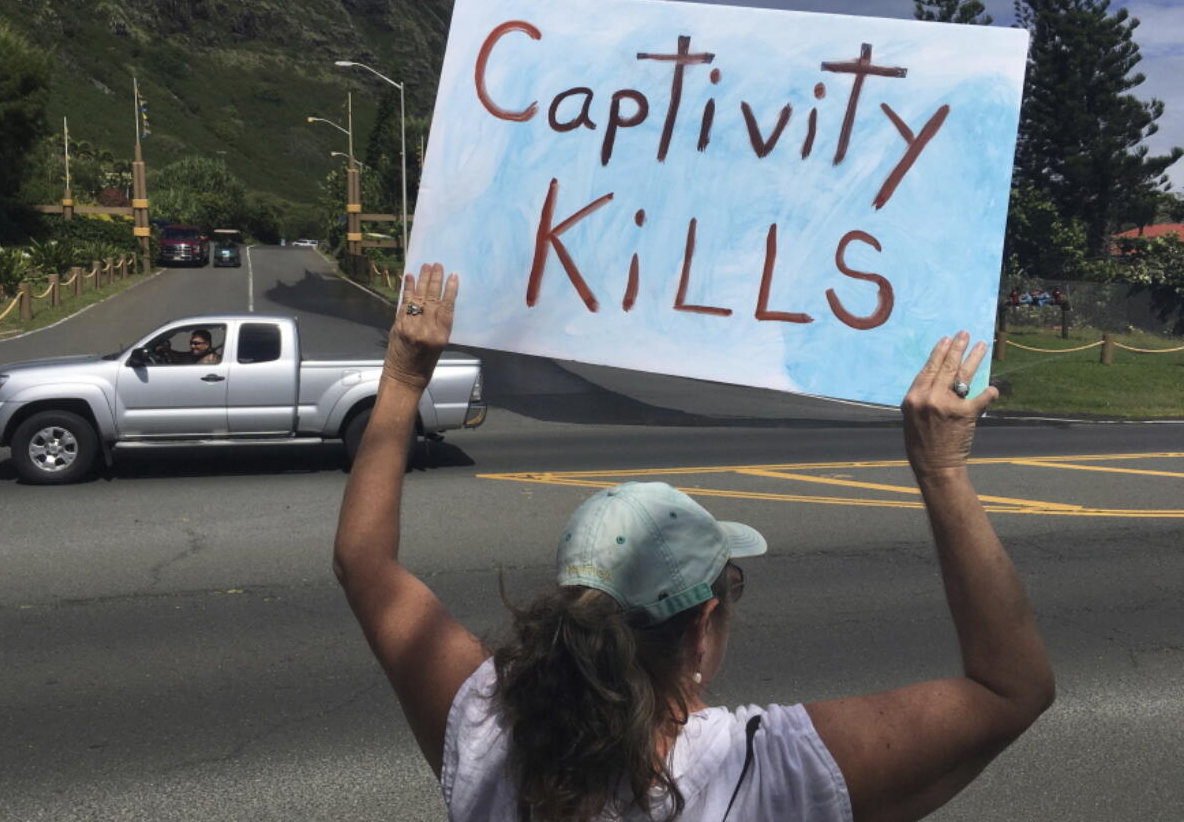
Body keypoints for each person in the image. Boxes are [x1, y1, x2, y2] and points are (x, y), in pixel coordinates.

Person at [334, 263, 1055, 822]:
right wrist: (941, 468)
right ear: (702, 630)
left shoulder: (489, 731)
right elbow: (1012, 687)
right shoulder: (766, 775)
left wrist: (402, 378)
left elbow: (364, 561)